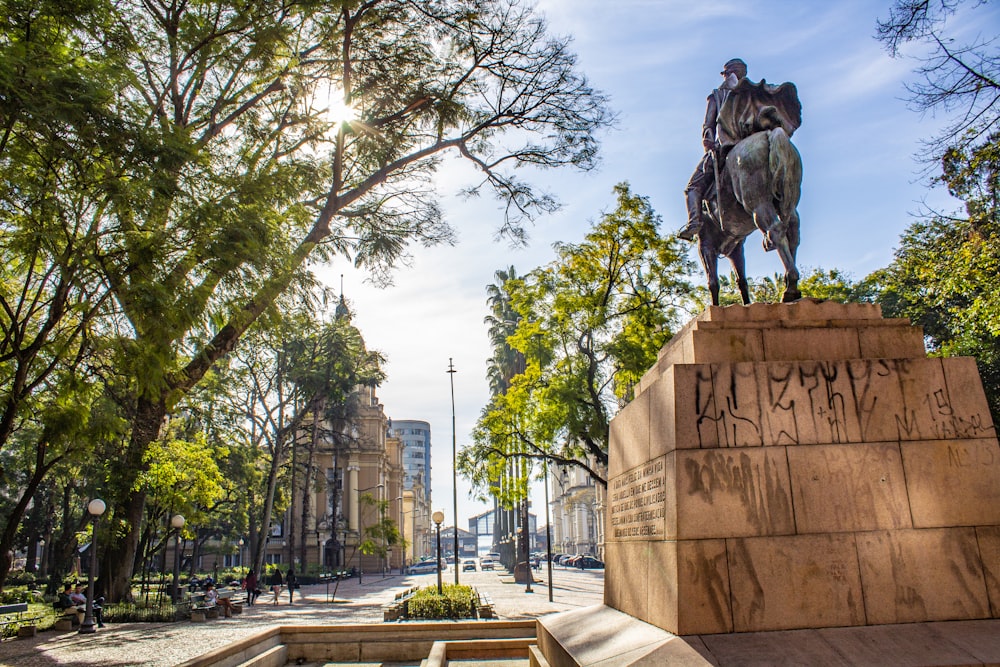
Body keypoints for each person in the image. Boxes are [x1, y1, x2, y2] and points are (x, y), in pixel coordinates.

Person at [679, 58, 749, 241]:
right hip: (750, 141)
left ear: (727, 74)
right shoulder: (752, 94)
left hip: (725, 146)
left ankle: (694, 222)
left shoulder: (717, 95)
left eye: (725, 73)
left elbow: (708, 126)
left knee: (692, 187)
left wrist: (707, 139)